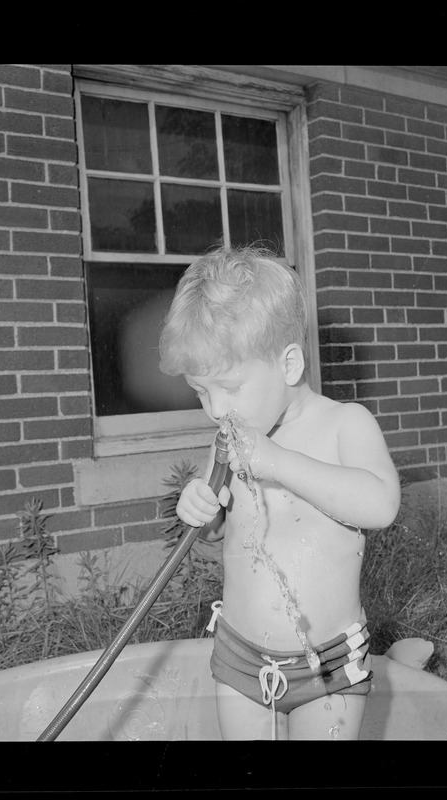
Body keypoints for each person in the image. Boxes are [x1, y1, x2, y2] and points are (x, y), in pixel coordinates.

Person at [158, 246, 400, 740]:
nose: (214, 409)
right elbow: (216, 528)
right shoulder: (228, 440)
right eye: (201, 392)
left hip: (326, 668)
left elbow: (381, 504)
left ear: (289, 364)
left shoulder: (344, 424)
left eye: (228, 387)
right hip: (240, 658)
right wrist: (200, 508)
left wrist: (279, 462)